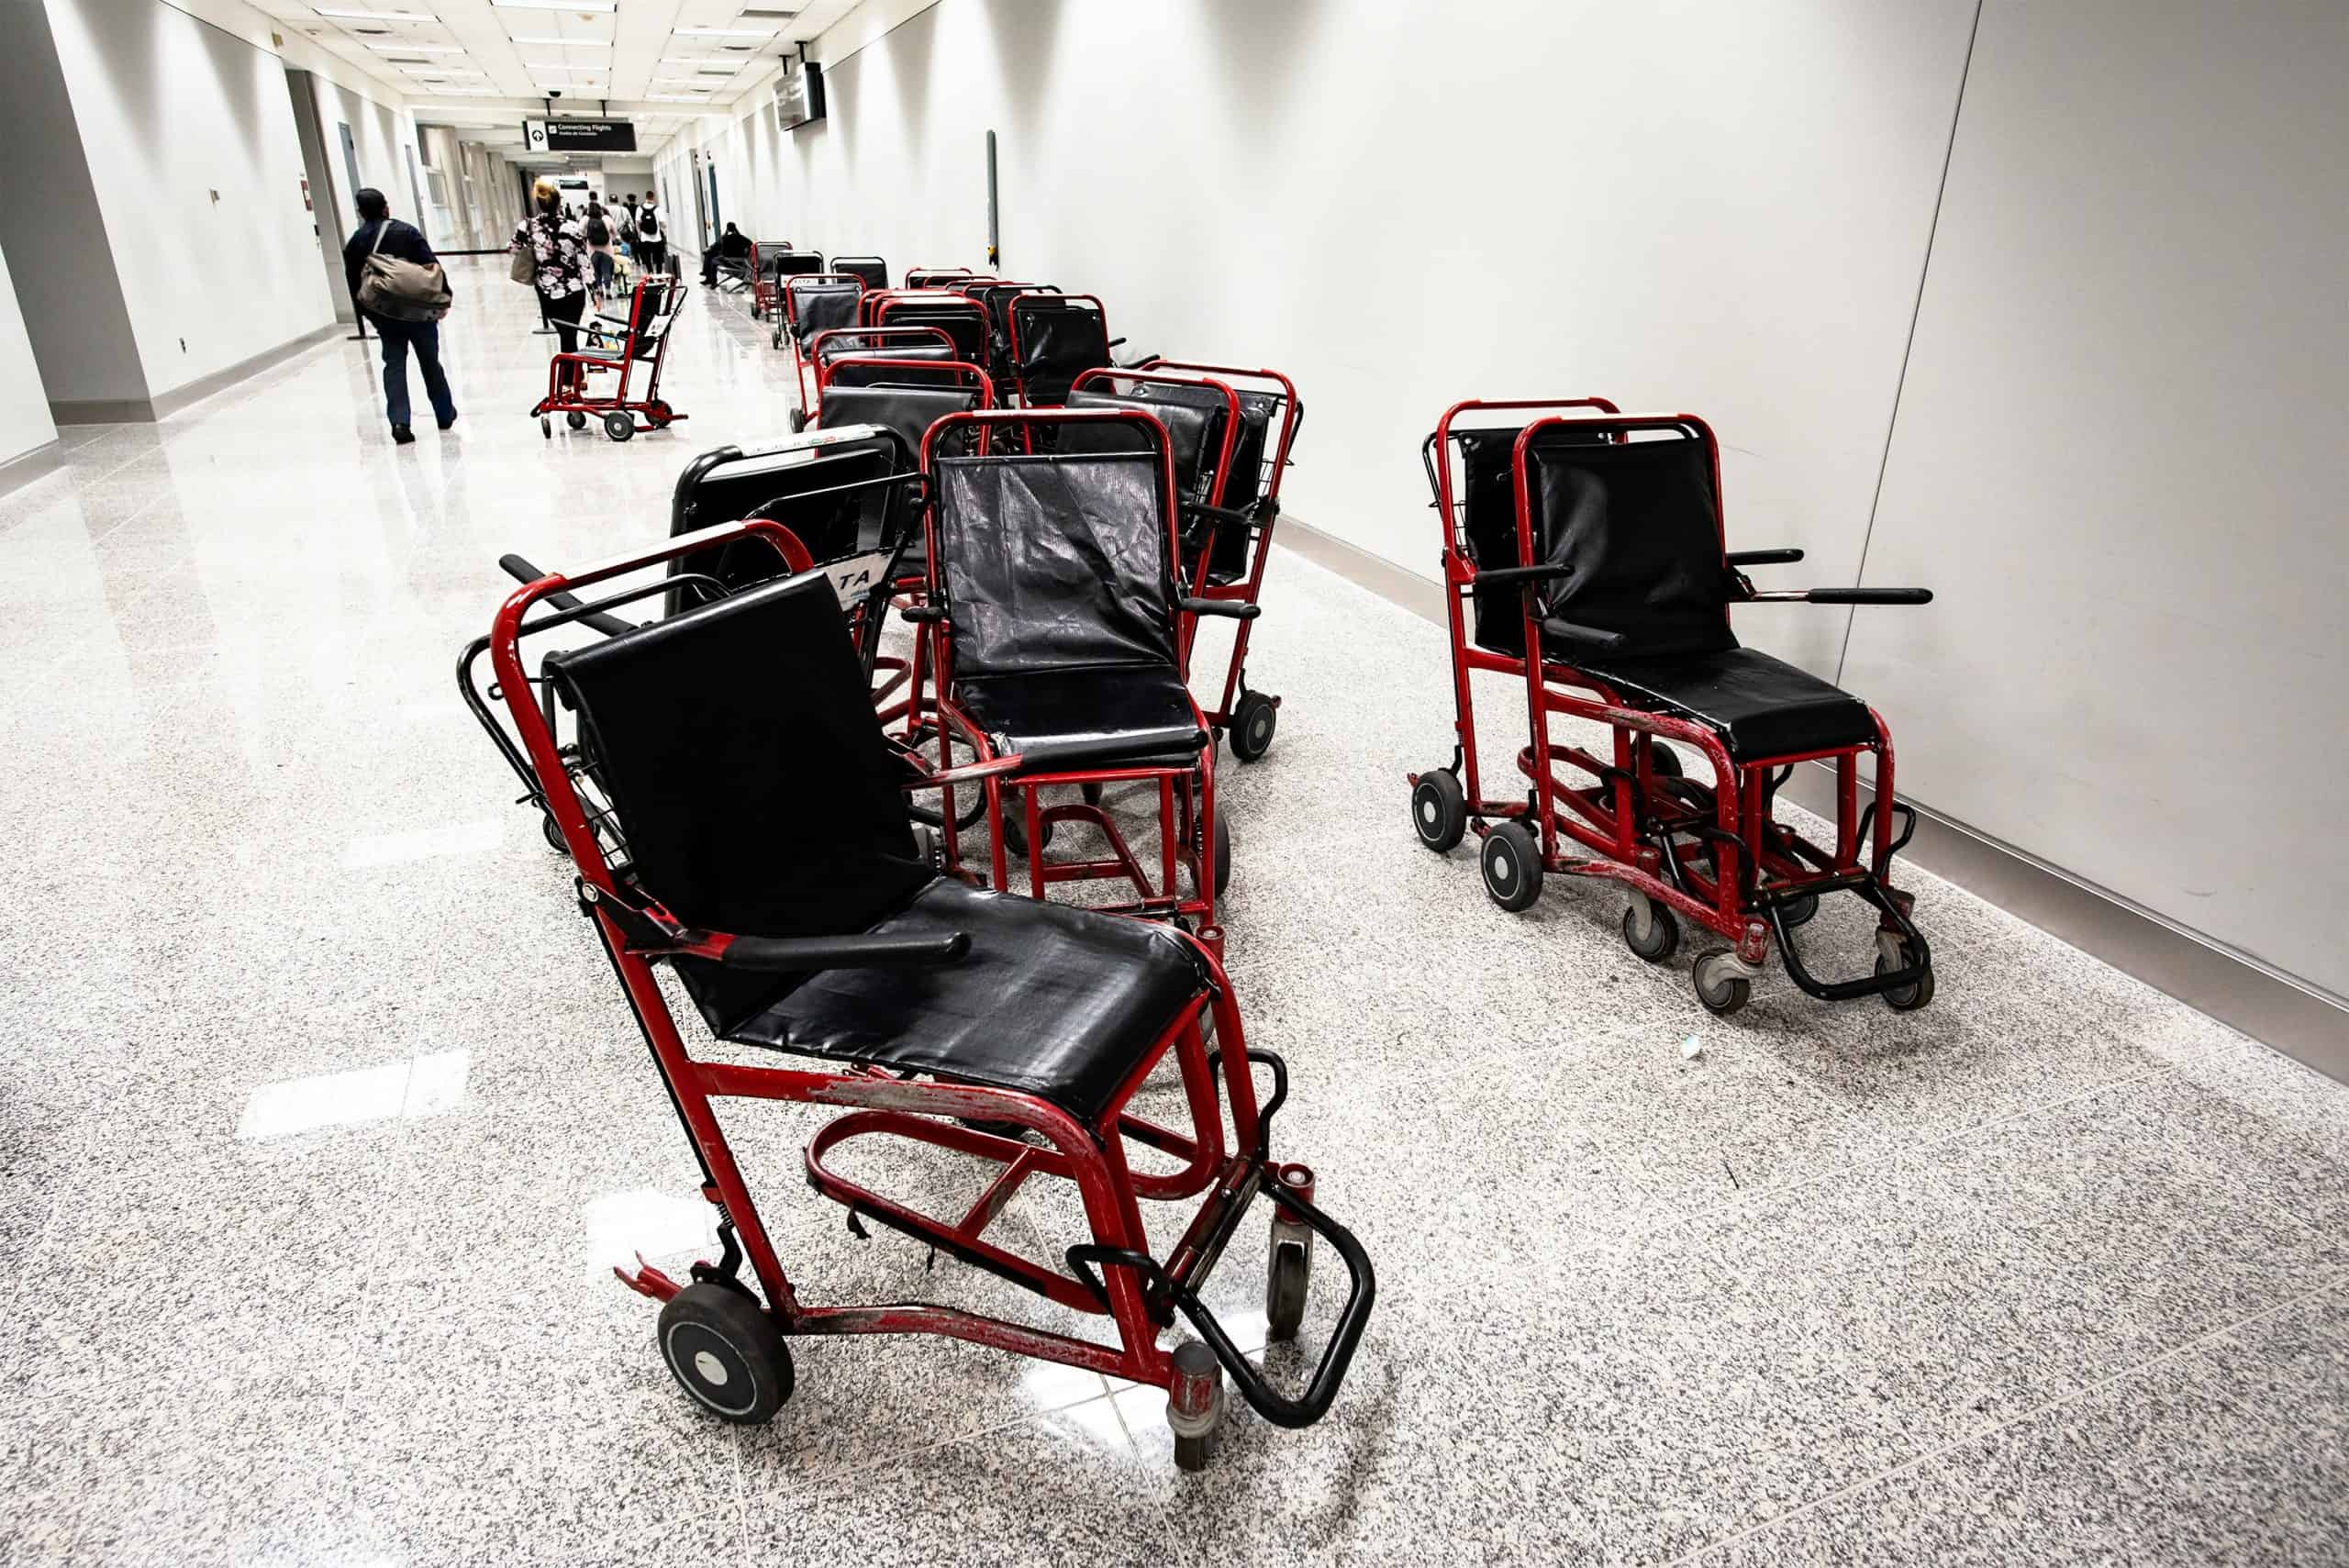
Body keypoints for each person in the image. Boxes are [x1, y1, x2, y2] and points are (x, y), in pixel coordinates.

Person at [342, 187, 456, 445]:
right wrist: (444, 297)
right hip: (419, 312)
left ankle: (400, 422)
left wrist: (367, 314)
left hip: (385, 313)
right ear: (386, 207)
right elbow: (431, 266)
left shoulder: (358, 241)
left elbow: (354, 283)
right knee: (430, 362)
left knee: (393, 365)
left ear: (361, 213)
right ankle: (444, 413)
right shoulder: (406, 231)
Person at [511, 176, 592, 361]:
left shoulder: (528, 226)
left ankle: (570, 375)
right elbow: (583, 261)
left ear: (539, 203)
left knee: (566, 334)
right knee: (569, 335)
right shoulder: (572, 227)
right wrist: (594, 290)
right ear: (558, 203)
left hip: (546, 290)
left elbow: (513, 248)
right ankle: (572, 375)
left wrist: (534, 246)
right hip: (574, 290)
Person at [702, 221, 752, 286]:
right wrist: (746, 253)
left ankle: (712, 281)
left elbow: (716, 247)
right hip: (740, 262)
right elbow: (751, 244)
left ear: (727, 229)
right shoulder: (742, 238)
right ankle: (708, 278)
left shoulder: (724, 238)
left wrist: (709, 249)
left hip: (728, 262)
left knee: (713, 260)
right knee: (711, 255)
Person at [584, 200, 615, 301]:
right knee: (606, 271)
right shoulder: (607, 218)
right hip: (607, 250)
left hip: (592, 250)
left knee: (596, 272)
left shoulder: (586, 219)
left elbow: (579, 231)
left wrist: (586, 237)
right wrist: (610, 238)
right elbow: (615, 231)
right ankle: (609, 292)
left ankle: (600, 291)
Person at [634, 195, 669, 278]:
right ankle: (659, 275)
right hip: (657, 238)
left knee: (647, 257)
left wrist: (639, 234)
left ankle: (650, 274)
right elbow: (662, 224)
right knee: (659, 258)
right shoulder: (658, 209)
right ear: (653, 198)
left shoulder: (639, 208)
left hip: (645, 238)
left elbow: (637, 223)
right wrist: (665, 230)